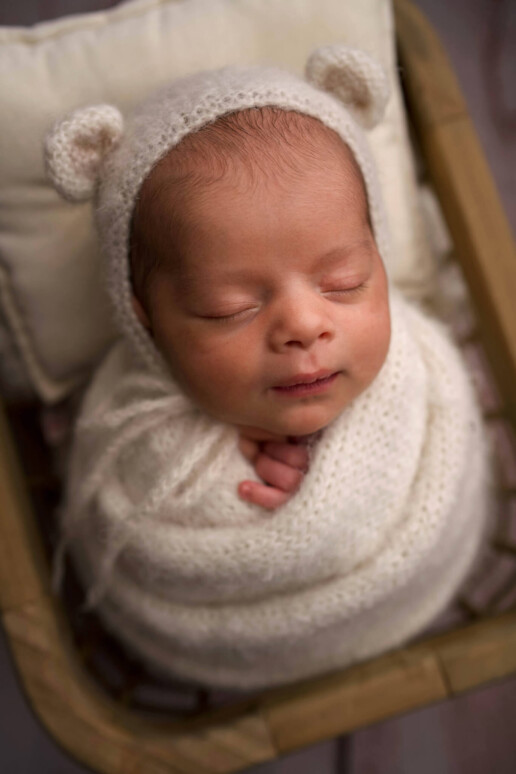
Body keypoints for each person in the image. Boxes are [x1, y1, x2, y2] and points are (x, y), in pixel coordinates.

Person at [45, 45, 491, 690]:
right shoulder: (129, 427)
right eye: (230, 308)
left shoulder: (416, 366)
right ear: (145, 320)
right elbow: (134, 523)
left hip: (411, 590)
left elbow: (440, 451)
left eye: (343, 282)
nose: (305, 326)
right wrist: (231, 493)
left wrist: (341, 481)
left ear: (379, 257)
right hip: (225, 649)